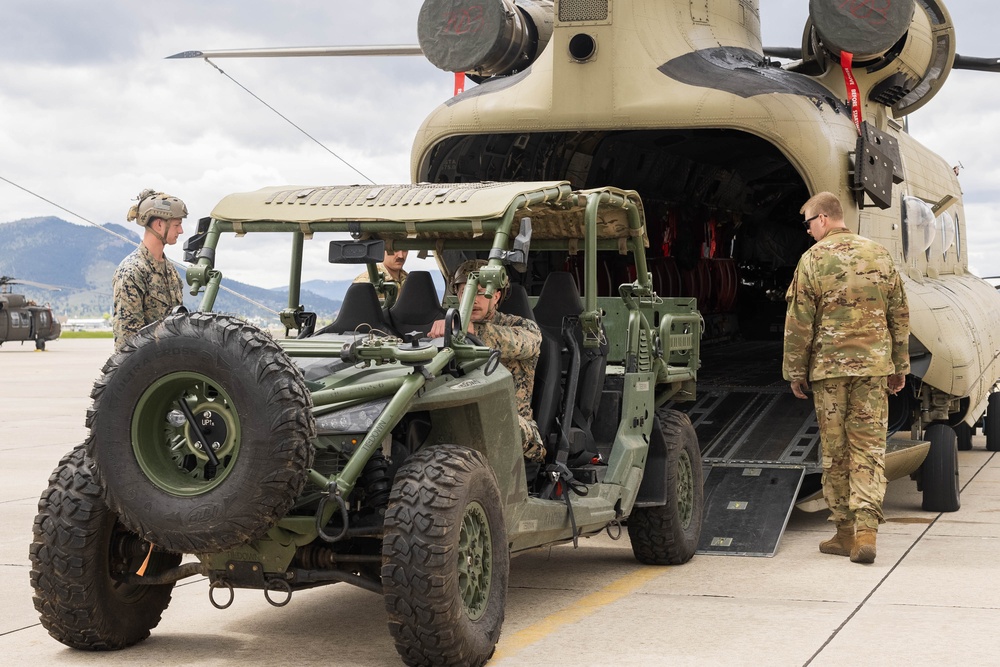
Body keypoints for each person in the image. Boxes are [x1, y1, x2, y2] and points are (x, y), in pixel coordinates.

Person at [782, 191, 909, 564]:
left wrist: (795, 371)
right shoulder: (879, 255)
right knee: (869, 450)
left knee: (835, 452)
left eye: (807, 223)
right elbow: (899, 315)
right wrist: (899, 366)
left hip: (829, 372)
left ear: (822, 218)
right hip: (872, 370)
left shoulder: (812, 260)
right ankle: (866, 532)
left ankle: (843, 533)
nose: (807, 231)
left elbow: (798, 321)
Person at [428, 259, 545, 462]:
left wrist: (470, 330)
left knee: (493, 418)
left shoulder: (522, 326)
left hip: (515, 424)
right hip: (459, 418)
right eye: (466, 292)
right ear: (457, 295)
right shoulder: (450, 329)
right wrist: (442, 335)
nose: (473, 299)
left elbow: (527, 344)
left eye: (481, 292)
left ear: (497, 296)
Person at [112, 189, 187, 352]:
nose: (181, 231)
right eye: (177, 224)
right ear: (159, 225)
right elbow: (127, 345)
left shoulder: (170, 270)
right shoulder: (132, 271)